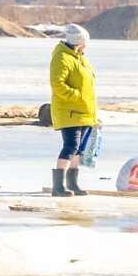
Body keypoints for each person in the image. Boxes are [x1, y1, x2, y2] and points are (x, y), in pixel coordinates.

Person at [49, 23, 96, 197]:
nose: (87, 46)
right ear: (79, 42)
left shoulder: (79, 57)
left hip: (84, 111)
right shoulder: (62, 58)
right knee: (70, 146)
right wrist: (76, 96)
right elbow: (57, 84)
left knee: (78, 150)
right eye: (85, 42)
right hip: (70, 111)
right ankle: (58, 186)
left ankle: (73, 184)